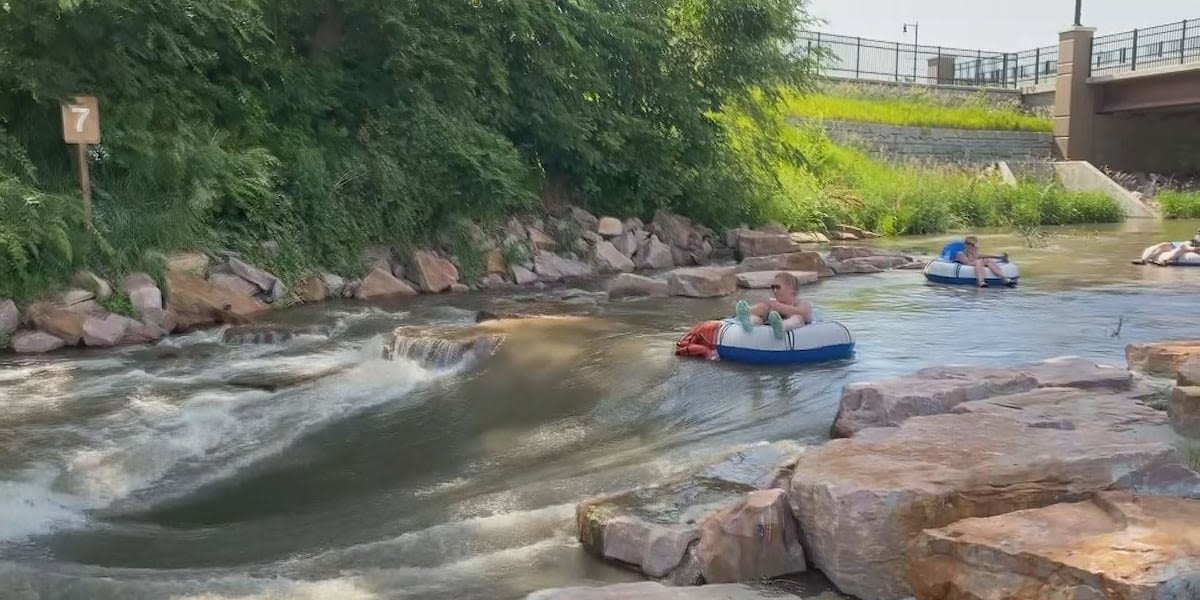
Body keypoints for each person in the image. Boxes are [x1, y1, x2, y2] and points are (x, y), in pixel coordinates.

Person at [733, 272, 813, 340]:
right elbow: (760, 308)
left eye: (778, 287)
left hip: (793, 327)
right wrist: (751, 310)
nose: (774, 291)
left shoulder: (802, 303)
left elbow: (805, 314)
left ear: (791, 288)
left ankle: (781, 327)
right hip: (768, 326)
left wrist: (779, 307)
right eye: (773, 287)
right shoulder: (772, 303)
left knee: (798, 318)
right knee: (757, 317)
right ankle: (748, 320)